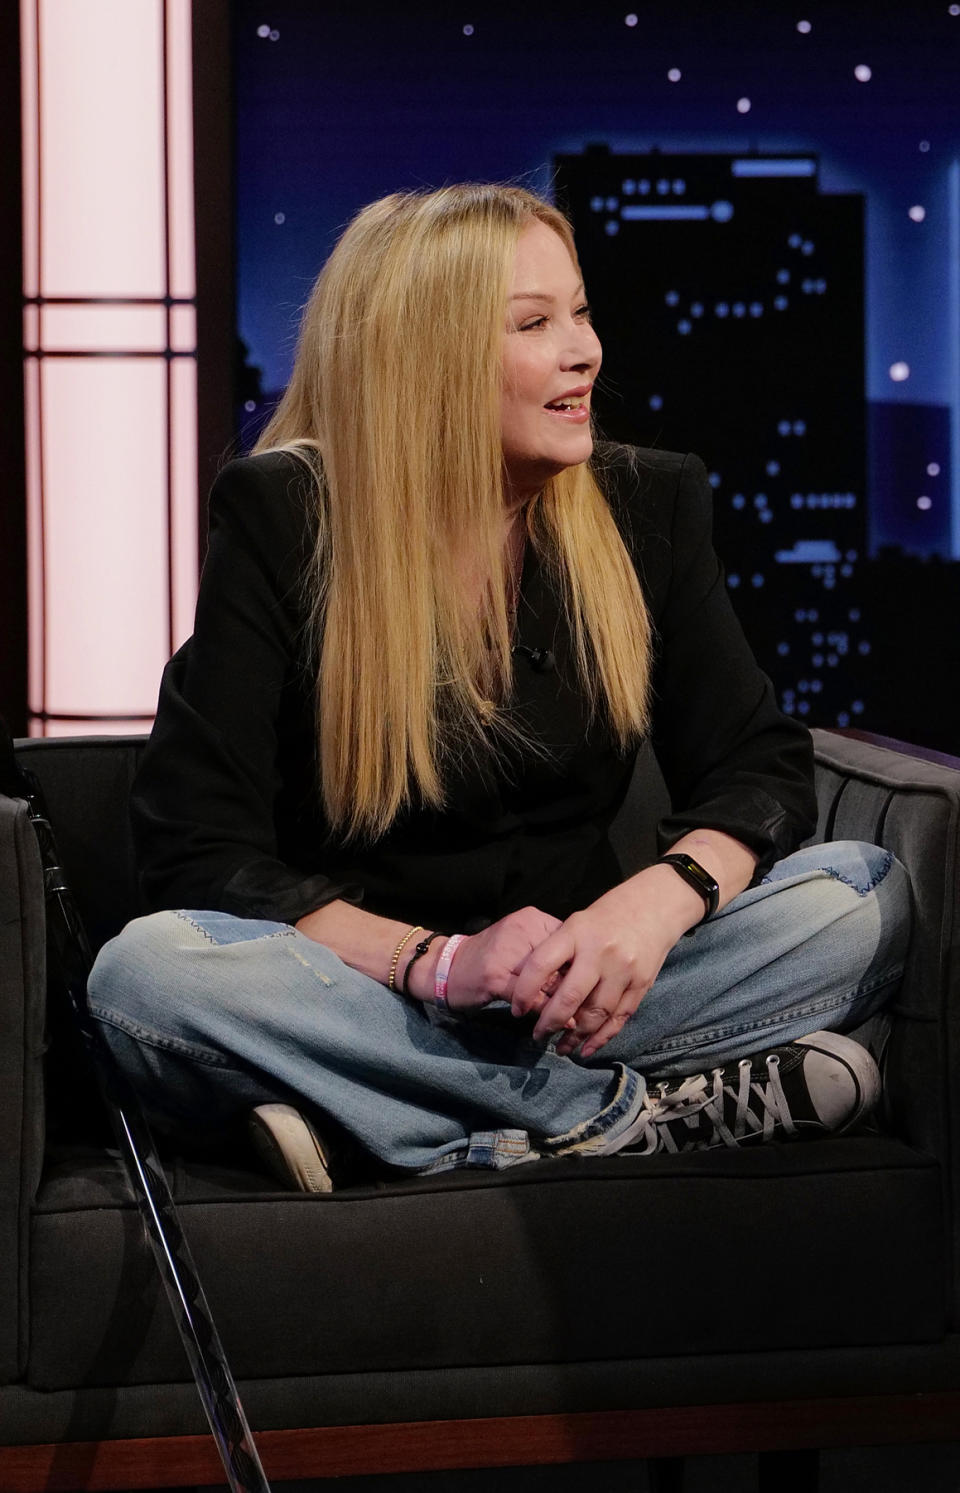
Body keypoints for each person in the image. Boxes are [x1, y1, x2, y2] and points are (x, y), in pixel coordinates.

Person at [87, 184, 910, 1190]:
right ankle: (618, 1118)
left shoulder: (647, 501)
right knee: (146, 976)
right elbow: (197, 850)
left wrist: (654, 907)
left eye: (581, 311)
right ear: (425, 362)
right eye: (534, 323)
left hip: (580, 993)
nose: (585, 351)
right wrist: (439, 963)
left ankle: (379, 1115)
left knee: (861, 896)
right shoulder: (289, 516)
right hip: (365, 984)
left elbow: (759, 763)